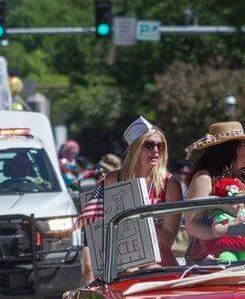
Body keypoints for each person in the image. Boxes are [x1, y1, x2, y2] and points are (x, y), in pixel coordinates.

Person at [78, 117, 184, 282]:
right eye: (149, 145)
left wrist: (135, 219)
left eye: (160, 145)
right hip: (122, 265)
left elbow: (167, 239)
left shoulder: (169, 184)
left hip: (159, 264)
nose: (156, 150)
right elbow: (100, 229)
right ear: (135, 148)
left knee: (150, 269)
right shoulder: (114, 179)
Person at [183, 121, 245, 261]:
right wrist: (224, 232)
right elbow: (191, 225)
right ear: (233, 149)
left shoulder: (243, 178)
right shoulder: (204, 178)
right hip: (212, 257)